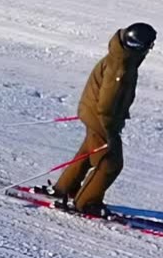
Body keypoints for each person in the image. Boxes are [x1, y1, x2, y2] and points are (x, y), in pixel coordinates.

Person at [49, 23, 156, 215]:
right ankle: (86, 202)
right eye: (149, 46)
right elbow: (107, 104)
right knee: (110, 162)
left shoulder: (122, 58)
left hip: (93, 113)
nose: (150, 50)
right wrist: (110, 130)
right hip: (100, 117)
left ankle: (65, 188)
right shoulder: (120, 68)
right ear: (139, 46)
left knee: (89, 152)